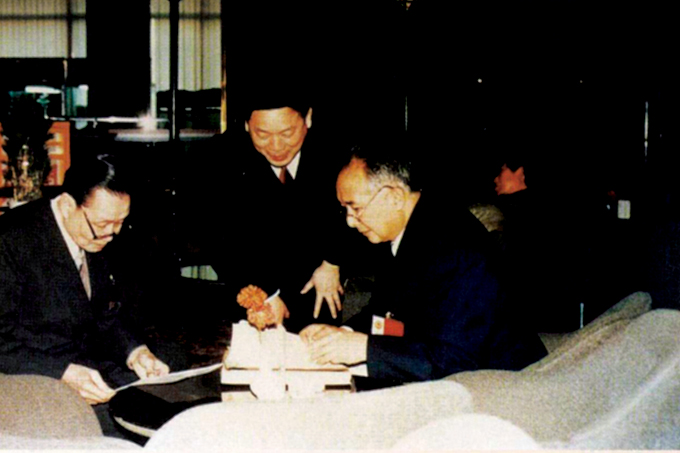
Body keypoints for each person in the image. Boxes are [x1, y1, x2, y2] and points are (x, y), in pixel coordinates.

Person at [300, 142, 547, 386]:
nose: (350, 221)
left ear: (394, 197)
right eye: (344, 209)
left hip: (505, 387)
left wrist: (364, 348)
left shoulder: (451, 247)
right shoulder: (409, 227)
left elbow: (455, 360)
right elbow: (385, 314)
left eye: (355, 208)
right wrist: (342, 335)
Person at [0, 153, 169, 438]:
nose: (112, 234)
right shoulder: (10, 241)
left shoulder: (93, 232)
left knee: (172, 380)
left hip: (86, 362)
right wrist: (63, 372)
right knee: (125, 427)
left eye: (120, 222)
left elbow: (104, 314)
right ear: (68, 205)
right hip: (32, 373)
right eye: (103, 224)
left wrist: (135, 352)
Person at [198, 76, 355, 333]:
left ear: (308, 118)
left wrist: (332, 262)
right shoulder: (220, 158)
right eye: (262, 134)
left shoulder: (337, 153)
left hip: (318, 283)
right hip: (251, 283)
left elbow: (357, 214)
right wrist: (265, 295)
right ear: (247, 125)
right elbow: (217, 238)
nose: (276, 146)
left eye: (287, 133)